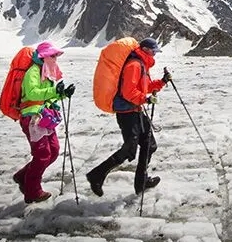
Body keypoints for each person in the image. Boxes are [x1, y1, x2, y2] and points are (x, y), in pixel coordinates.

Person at [86, 37, 170, 196]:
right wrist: (145, 99)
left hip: (135, 111)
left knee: (149, 144)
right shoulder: (134, 65)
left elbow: (144, 87)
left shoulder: (141, 65)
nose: (154, 55)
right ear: (145, 50)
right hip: (128, 114)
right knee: (130, 149)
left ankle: (142, 182)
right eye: (153, 52)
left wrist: (162, 82)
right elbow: (128, 92)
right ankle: (96, 175)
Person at [12, 41, 75, 203]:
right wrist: (55, 90)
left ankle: (22, 177)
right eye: (53, 56)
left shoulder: (44, 71)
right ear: (44, 56)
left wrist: (62, 94)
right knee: (42, 155)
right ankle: (32, 191)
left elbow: (45, 95)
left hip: (43, 117)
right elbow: (33, 93)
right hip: (32, 117)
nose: (55, 59)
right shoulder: (33, 71)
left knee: (53, 151)